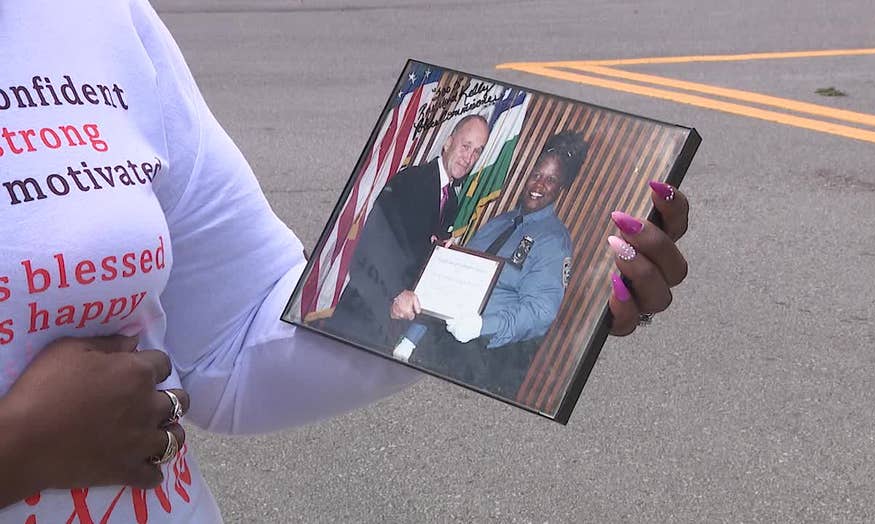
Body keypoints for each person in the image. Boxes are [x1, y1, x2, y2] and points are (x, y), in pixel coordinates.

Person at [0, 1, 691, 522]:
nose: (475, 160)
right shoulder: (415, 184)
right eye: (469, 147)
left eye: (485, 153)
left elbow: (232, 351)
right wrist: (17, 449)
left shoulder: (93, 16)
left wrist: (552, 318)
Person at [395, 130, 587, 397]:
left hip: (487, 359)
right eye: (537, 175)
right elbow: (454, 283)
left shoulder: (554, 242)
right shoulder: (501, 222)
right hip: (443, 343)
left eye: (551, 180)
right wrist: (411, 338)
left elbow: (540, 311)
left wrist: (483, 326)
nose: (539, 185)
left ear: (561, 188)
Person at [323, 115, 490, 351]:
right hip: (361, 314)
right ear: (448, 142)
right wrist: (395, 294)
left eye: (477, 152)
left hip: (391, 326)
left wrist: (443, 255)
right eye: (465, 146)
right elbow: (369, 248)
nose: (469, 158)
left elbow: (418, 250)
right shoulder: (411, 181)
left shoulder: (451, 200)